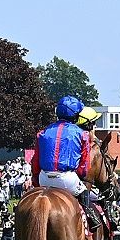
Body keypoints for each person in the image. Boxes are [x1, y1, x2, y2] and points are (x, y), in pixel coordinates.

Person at [33, 96, 99, 230]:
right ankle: (90, 214)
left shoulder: (43, 133)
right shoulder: (82, 134)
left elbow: (35, 161)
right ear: (75, 116)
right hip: (67, 179)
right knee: (85, 192)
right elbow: (84, 166)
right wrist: (82, 175)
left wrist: (35, 179)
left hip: (44, 178)